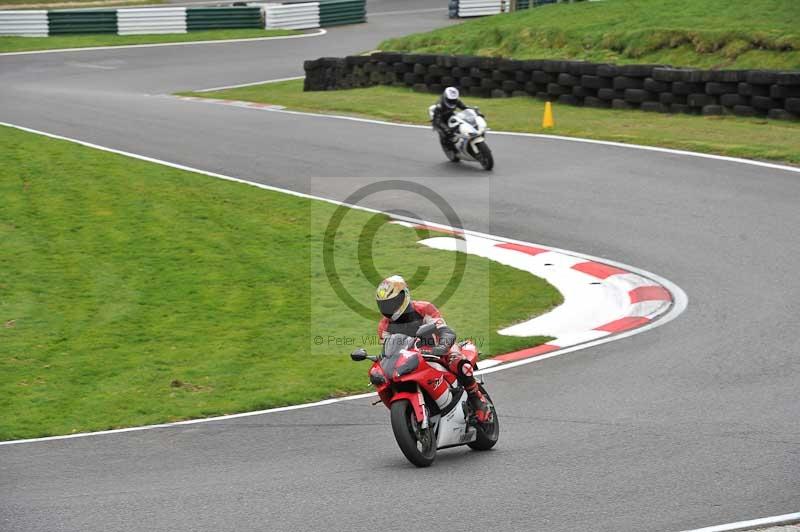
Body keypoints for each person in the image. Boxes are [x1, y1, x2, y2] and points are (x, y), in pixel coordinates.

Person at [375, 275, 492, 423]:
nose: (389, 308)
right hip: (412, 358)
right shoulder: (384, 325)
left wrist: (442, 346)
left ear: (404, 296)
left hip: (437, 349)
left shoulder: (423, 308)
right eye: (384, 305)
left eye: (392, 303)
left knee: (457, 360)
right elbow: (388, 349)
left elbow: (445, 330)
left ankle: (477, 401)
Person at [430, 86, 468, 151]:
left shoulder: (456, 101)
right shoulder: (439, 105)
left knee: (461, 122)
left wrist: (474, 110)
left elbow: (464, 108)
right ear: (445, 97)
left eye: (454, 100)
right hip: (439, 119)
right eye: (450, 100)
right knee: (447, 134)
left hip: (450, 115)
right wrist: (446, 129)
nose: (452, 102)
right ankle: (449, 147)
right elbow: (438, 121)